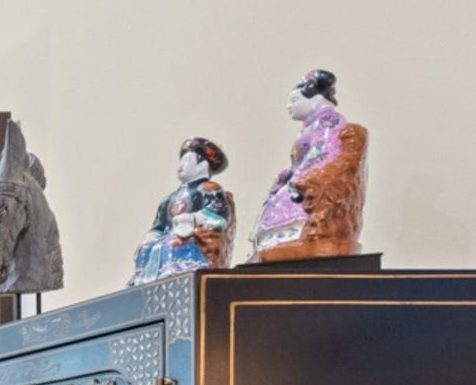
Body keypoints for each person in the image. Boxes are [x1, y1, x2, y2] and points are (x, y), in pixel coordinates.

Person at [248, 69, 368, 260]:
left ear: (316, 99)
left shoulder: (328, 122)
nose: (289, 106)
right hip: (301, 178)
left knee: (287, 199)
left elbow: (323, 153)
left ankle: (295, 234)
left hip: (313, 181)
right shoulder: (312, 126)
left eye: (294, 101)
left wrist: (298, 176)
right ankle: (275, 240)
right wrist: (287, 175)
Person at [132, 137, 235, 281]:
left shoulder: (209, 189)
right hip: (167, 237)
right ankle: (143, 280)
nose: (181, 166)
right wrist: (150, 237)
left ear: (202, 165)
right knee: (145, 250)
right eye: (181, 161)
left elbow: (219, 214)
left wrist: (193, 219)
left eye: (187, 161)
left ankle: (177, 275)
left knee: (173, 245)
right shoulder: (169, 198)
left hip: (191, 235)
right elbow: (159, 226)